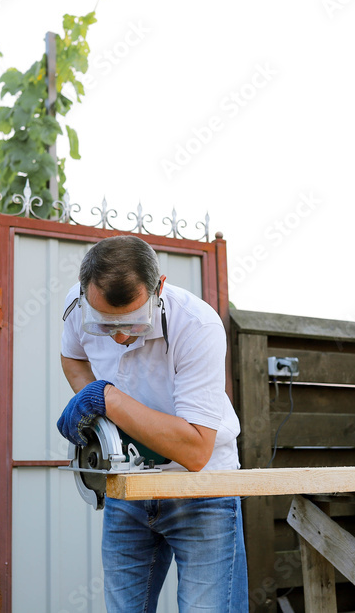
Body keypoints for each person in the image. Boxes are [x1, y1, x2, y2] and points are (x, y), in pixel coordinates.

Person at [57, 235, 247, 612]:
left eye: (131, 322)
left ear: (159, 288)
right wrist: (105, 426)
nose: (121, 336)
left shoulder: (197, 326)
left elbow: (195, 450)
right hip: (129, 483)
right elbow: (73, 357)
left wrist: (104, 398)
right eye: (105, 325)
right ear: (84, 295)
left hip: (202, 489)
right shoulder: (77, 306)